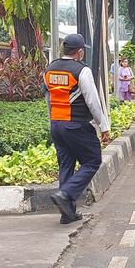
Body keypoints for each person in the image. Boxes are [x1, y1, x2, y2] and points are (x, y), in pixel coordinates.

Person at [44, 34, 110, 224]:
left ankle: (68, 213)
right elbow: (93, 102)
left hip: (56, 124)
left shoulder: (50, 69)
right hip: (76, 124)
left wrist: (53, 120)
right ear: (79, 52)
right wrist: (103, 126)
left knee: (66, 165)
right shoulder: (82, 71)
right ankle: (66, 194)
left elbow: (48, 99)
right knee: (92, 160)